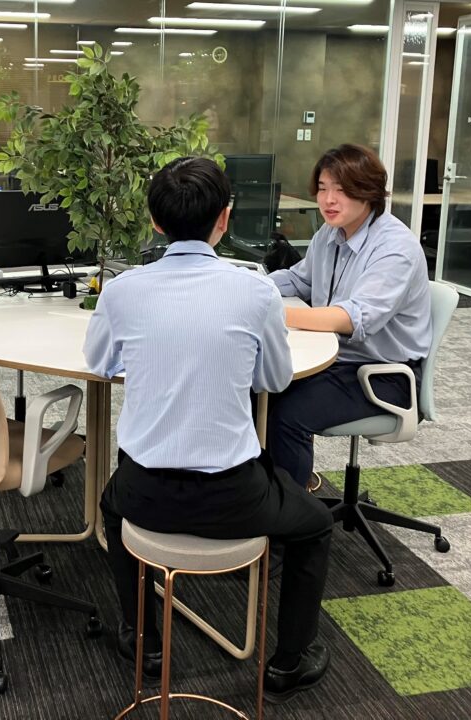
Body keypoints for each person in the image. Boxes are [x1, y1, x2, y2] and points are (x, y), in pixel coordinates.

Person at [84, 157, 334, 703]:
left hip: (145, 492)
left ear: (155, 222)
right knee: (316, 524)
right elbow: (275, 379)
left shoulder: (122, 290)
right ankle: (288, 663)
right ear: (225, 218)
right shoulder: (256, 291)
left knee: (111, 504)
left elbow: (99, 363)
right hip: (234, 497)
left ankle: (144, 642)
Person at [267, 144, 432, 490]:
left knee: (285, 413)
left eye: (341, 190)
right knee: (259, 387)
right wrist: (248, 287)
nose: (328, 200)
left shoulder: (394, 247)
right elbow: (299, 279)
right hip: (339, 359)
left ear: (369, 192)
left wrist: (275, 312)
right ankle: (269, 488)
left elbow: (352, 318)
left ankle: (291, 510)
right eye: (323, 188)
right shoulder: (330, 233)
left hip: (383, 374)